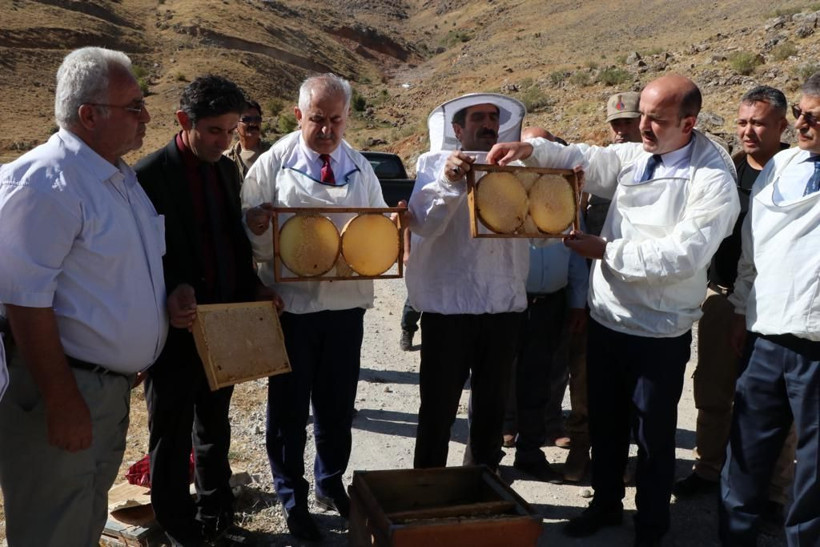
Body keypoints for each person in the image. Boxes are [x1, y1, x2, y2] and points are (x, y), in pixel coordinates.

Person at [487, 74, 740, 547]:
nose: (644, 127)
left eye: (657, 121)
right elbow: (587, 158)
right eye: (641, 115)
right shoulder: (635, 155)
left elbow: (682, 255)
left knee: (653, 436)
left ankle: (650, 526)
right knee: (606, 426)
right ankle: (604, 506)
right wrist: (532, 152)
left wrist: (605, 250)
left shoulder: (712, 180)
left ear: (689, 123)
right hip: (608, 321)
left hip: (659, 331)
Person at [0, 46, 167, 546]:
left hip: (104, 390)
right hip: (64, 389)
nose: (146, 116)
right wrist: (61, 398)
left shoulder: (117, 178)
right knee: (54, 528)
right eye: (133, 106)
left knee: (83, 521)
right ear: (88, 115)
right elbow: (24, 302)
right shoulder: (44, 183)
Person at [241, 73, 387, 542]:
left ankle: (329, 482)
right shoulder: (271, 165)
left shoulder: (360, 166)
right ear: (299, 115)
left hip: (346, 309)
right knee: (288, 410)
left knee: (337, 404)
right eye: (318, 120)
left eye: (336, 121)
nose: (327, 130)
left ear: (347, 119)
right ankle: (292, 496)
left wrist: (389, 236)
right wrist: (259, 225)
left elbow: (377, 226)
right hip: (293, 311)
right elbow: (251, 237)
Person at [135, 75, 273, 546]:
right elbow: (141, 258)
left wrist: (254, 286)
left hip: (222, 325)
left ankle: (217, 514)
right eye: (214, 130)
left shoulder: (224, 169)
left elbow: (232, 240)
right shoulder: (147, 176)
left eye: (232, 130)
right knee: (169, 431)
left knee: (215, 425)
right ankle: (178, 526)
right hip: (173, 330)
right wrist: (172, 292)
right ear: (183, 122)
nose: (224, 140)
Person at [673, 86, 794, 520]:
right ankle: (708, 468)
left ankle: (776, 493)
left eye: (758, 122)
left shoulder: (796, 174)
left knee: (774, 400)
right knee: (712, 388)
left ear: (783, 126)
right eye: (742, 122)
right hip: (721, 298)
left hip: (778, 304)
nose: (747, 131)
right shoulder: (724, 170)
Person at [720, 73, 820, 547]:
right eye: (800, 113)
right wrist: (741, 310)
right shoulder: (783, 169)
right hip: (766, 339)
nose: (802, 123)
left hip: (816, 349)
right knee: (745, 456)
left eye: (813, 117)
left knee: (814, 472)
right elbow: (751, 249)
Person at [406, 92, 529, 474]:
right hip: (449, 309)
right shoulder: (431, 164)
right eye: (478, 118)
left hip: (502, 307)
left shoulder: (516, 169)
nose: (488, 124)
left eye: (493, 118)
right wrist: (450, 181)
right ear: (457, 129)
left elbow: (540, 231)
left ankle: (480, 483)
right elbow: (423, 223)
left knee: (491, 409)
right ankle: (426, 489)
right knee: (439, 408)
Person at [225, 98, 270, 181]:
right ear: (235, 126)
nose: (253, 123)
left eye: (257, 119)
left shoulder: (273, 153)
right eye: (247, 119)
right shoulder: (227, 159)